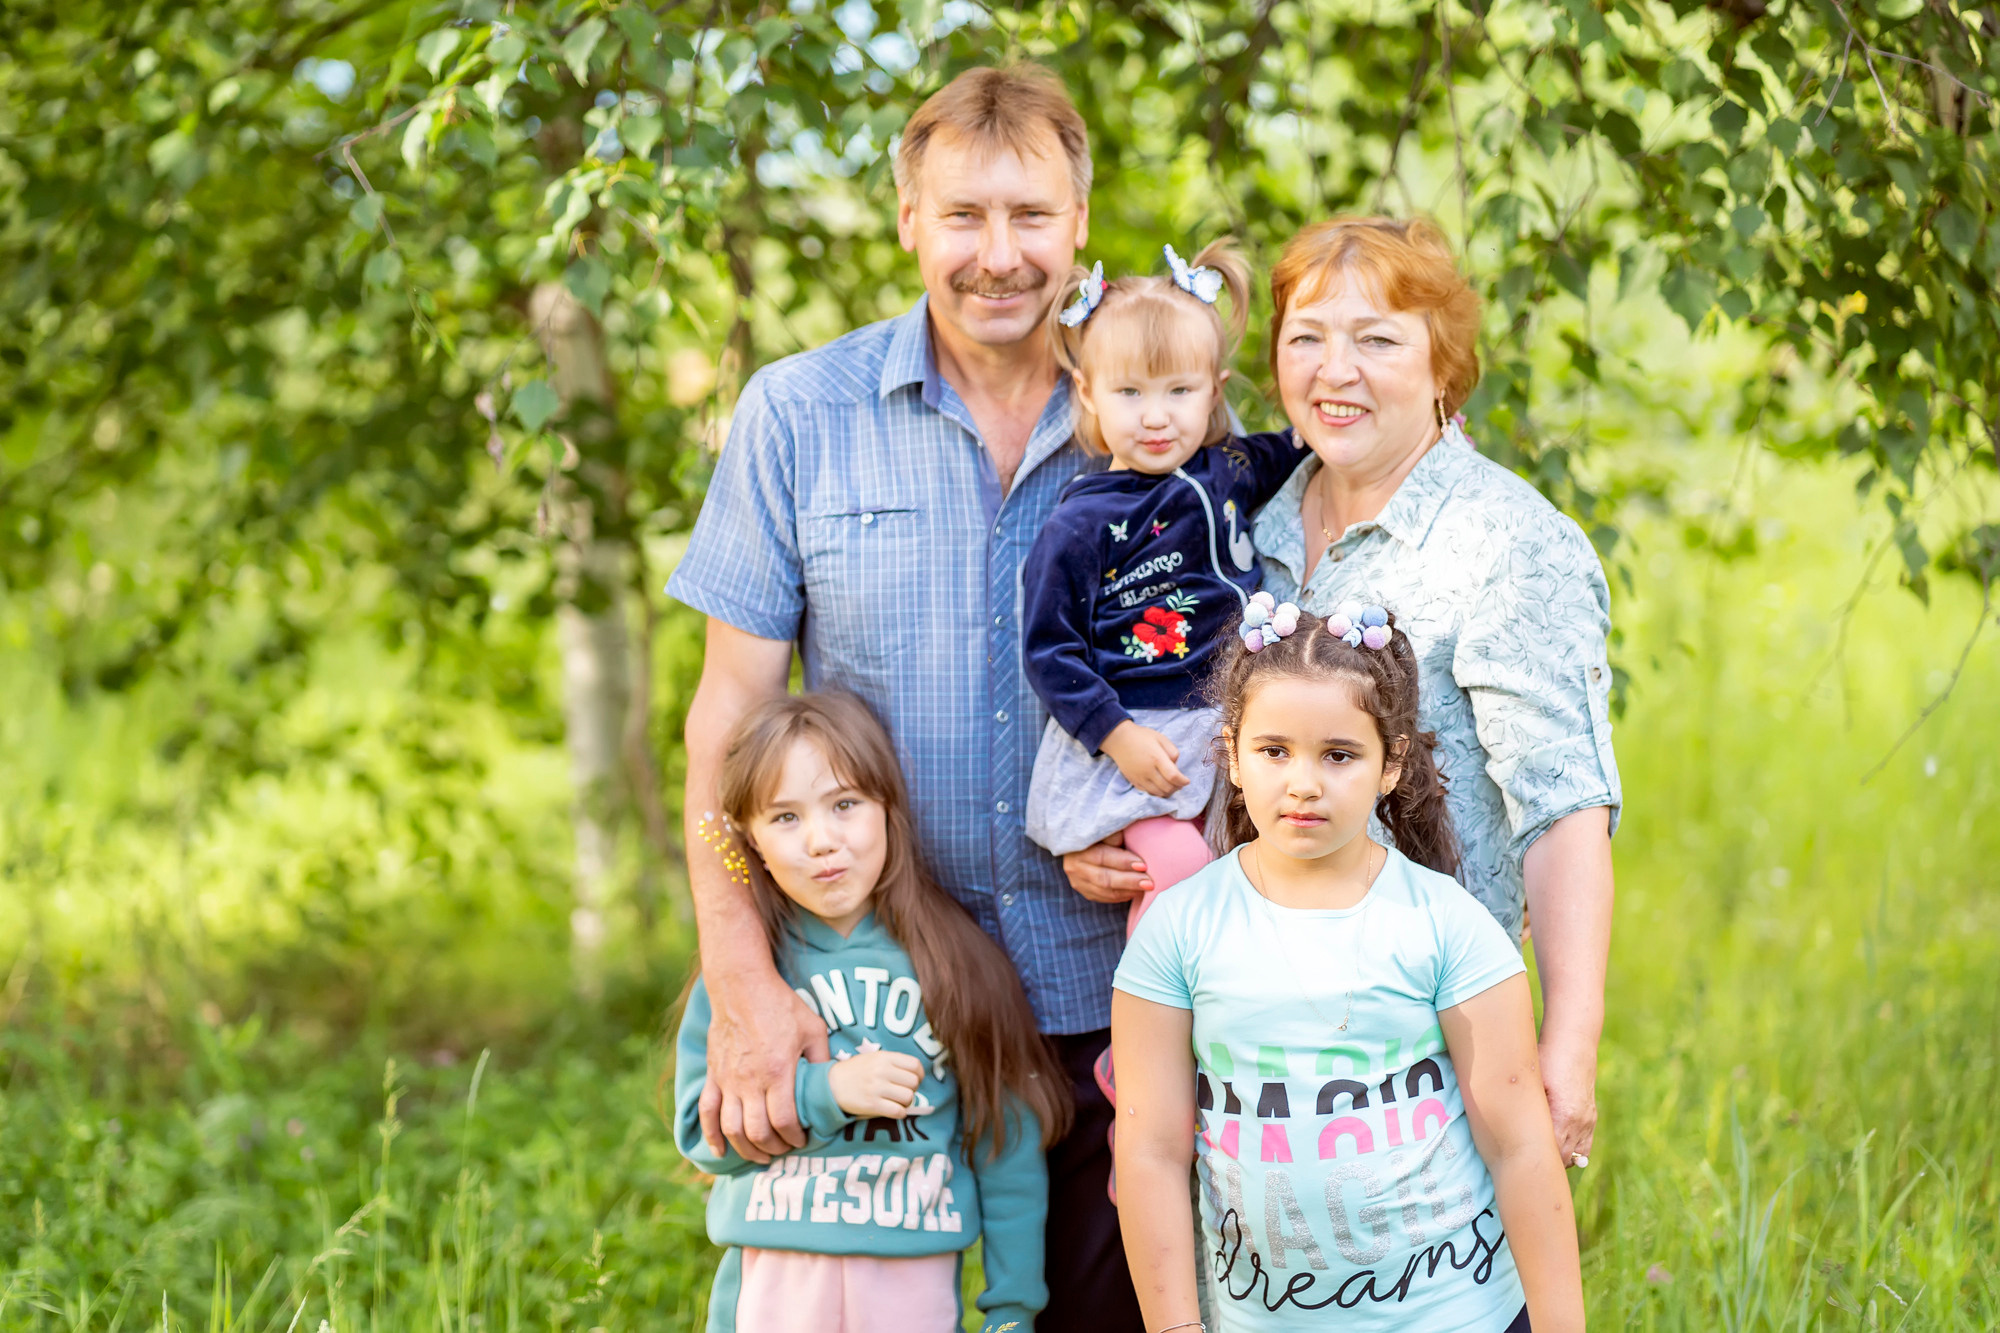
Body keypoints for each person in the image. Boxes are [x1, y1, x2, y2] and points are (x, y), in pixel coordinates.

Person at [666, 64, 1147, 1328]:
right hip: (882, 1009)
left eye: (1030, 217)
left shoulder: (1158, 422)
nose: (1000, 255)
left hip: (1117, 992)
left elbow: (1230, 686)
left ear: (1079, 222)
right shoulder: (798, 417)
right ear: (906, 225)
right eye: (963, 217)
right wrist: (743, 983)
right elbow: (725, 724)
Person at [1070, 215, 1621, 1168]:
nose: (1336, 370)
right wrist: (1111, 835)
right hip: (1248, 1063)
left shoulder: (1506, 544)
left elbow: (1563, 814)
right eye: (1307, 338)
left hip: (1424, 1059)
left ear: (1443, 364)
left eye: (1377, 339)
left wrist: (1566, 1050)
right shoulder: (1242, 522)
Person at [1112, 605, 1586, 1333]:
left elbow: (1519, 1145)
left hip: (1457, 1314)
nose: (1303, 783)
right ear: (1233, 756)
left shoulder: (1443, 924)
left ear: (1390, 763)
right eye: (1274, 751)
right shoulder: (1180, 930)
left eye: (1339, 755)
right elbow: (1149, 1150)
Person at [674, 692, 1071, 1333]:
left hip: (908, 1279)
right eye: (785, 818)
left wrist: (1012, 1308)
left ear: (889, 807)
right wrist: (825, 1092)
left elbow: (1008, 1146)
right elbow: (705, 1138)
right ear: (749, 838)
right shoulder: (744, 982)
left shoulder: (957, 962)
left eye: (845, 804)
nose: (822, 840)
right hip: (775, 1278)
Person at [1021, 241, 1305, 932]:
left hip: (1230, 721)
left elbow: (1307, 441)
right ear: (1087, 392)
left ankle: (1201, 1036)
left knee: (1238, 884)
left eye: (1179, 390)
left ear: (1215, 389)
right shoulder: (1084, 522)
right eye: (1130, 393)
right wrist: (1114, 734)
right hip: (1145, 739)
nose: (1156, 416)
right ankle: (1141, 1043)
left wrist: (1425, 431)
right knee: (1176, 865)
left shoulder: (1231, 465)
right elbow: (1049, 651)